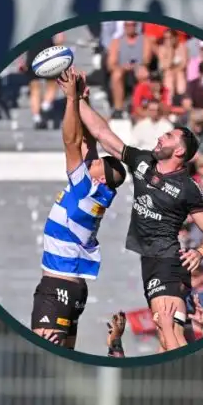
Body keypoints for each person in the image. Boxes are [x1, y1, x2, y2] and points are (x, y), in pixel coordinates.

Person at [77, 69, 203, 353]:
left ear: (179, 151)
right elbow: (103, 135)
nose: (161, 137)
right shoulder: (143, 162)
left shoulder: (187, 188)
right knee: (171, 335)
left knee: (169, 333)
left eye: (168, 136)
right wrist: (78, 99)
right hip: (152, 261)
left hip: (167, 262)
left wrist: (201, 252)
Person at [30, 68, 127, 351]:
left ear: (99, 177)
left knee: (44, 356)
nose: (93, 160)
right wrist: (84, 98)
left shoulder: (85, 188)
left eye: (98, 163)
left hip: (57, 287)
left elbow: (72, 142)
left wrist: (71, 100)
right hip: (72, 288)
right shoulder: (99, 191)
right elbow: (89, 140)